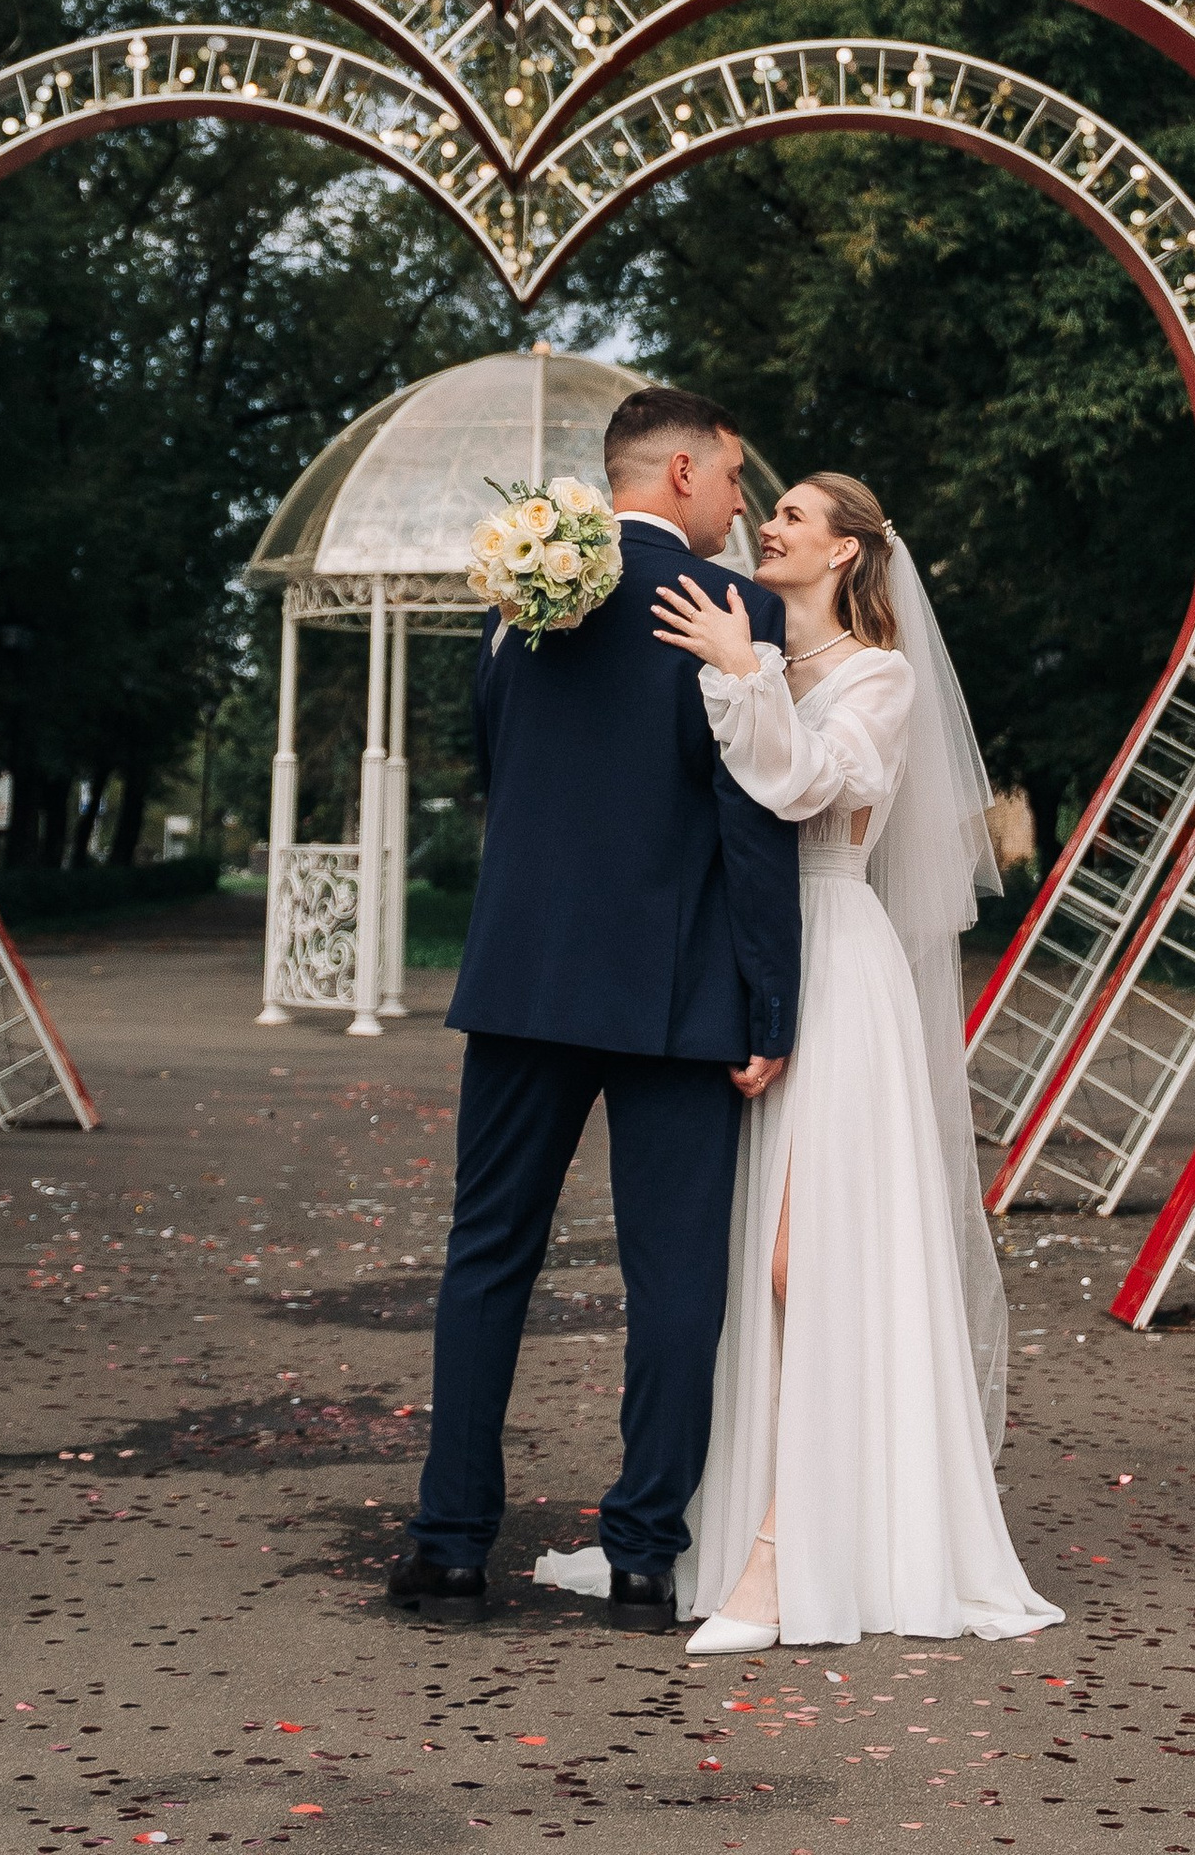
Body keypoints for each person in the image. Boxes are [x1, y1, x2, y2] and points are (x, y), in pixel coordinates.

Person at [388, 387, 801, 1635]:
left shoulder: (523, 591)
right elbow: (752, 819)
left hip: (523, 978)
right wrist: (769, 1004)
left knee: (486, 1258)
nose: (742, 500)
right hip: (678, 989)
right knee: (676, 1278)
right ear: (679, 471)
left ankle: (453, 1548)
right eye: (731, 475)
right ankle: (642, 1556)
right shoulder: (739, 612)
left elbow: (496, 753)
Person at [651, 472, 1063, 1652]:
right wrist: (742, 665)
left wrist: (744, 671)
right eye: (765, 508)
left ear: (842, 554)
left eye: (790, 516)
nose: (766, 523)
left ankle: (788, 1557)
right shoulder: (750, 648)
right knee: (767, 1268)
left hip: (841, 961)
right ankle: (762, 1538)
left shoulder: (878, 677)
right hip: (766, 967)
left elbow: (807, 787)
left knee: (807, 1264)